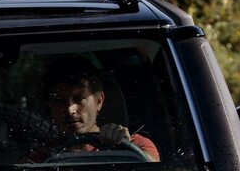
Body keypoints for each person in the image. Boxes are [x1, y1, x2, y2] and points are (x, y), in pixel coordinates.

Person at [25, 56, 159, 163]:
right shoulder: (42, 156)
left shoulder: (134, 144)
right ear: (50, 106)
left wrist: (123, 150)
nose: (70, 109)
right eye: (59, 101)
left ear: (99, 101)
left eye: (78, 99)